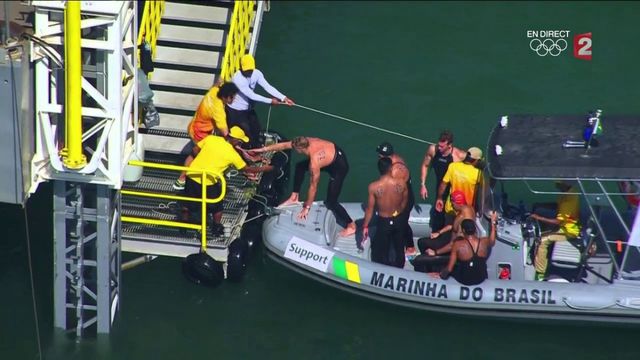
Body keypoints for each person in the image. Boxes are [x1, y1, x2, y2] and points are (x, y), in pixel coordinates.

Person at [250, 136, 357, 237]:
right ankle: (294, 196)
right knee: (300, 167)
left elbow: (313, 186)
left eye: (296, 149)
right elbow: (283, 146)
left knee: (332, 202)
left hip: (339, 167)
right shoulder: (305, 141)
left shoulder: (314, 162)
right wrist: (262, 150)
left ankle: (351, 225)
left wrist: (307, 208)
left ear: (300, 149)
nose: (295, 150)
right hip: (330, 156)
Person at [180, 127, 271, 235]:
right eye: (240, 141)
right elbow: (246, 169)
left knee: (188, 201)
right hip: (208, 182)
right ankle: (216, 227)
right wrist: (264, 169)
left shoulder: (211, 139)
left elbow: (195, 150)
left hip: (192, 175)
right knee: (217, 206)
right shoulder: (232, 155)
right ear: (235, 140)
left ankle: (183, 224)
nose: (240, 143)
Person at [174, 82, 239, 190]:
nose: (234, 99)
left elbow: (216, 83)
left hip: (195, 125)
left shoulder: (214, 91)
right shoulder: (218, 111)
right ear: (225, 96)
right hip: (199, 132)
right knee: (195, 155)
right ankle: (182, 179)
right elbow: (225, 133)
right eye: (232, 97)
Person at [227, 54, 295, 147]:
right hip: (236, 111)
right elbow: (251, 95)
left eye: (250, 70)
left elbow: (267, 87)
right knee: (245, 131)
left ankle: (255, 148)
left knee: (256, 128)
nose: (249, 72)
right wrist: (270, 101)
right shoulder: (237, 78)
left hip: (248, 109)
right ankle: (244, 149)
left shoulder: (257, 73)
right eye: (246, 70)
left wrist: (284, 98)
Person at [362, 157, 408, 268]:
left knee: (380, 251)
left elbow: (370, 209)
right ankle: (399, 268)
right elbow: (404, 203)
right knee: (399, 248)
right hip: (398, 219)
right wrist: (398, 213)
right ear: (391, 168)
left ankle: (383, 271)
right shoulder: (402, 184)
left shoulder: (373, 187)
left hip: (384, 221)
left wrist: (365, 226)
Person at [530, 181, 581, 281]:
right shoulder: (567, 192)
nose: (555, 185)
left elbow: (557, 221)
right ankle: (544, 262)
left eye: (558, 183)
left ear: (564, 184)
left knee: (542, 240)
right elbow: (557, 206)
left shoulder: (569, 200)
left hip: (569, 231)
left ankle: (540, 273)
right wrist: (540, 205)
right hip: (564, 227)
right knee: (545, 230)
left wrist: (538, 217)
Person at [419, 130, 467, 232]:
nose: (439, 148)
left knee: (452, 216)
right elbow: (425, 165)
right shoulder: (433, 150)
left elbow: (474, 162)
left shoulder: (458, 156)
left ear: (449, 145)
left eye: (442, 146)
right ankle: (437, 234)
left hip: (453, 190)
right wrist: (423, 184)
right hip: (440, 188)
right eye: (439, 145)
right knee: (438, 215)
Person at [435, 212, 497, 286]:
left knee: (442, 266)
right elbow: (492, 240)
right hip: (481, 278)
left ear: (463, 231)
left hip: (464, 280)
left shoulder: (458, 245)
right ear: (474, 229)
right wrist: (493, 222)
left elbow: (449, 268)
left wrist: (440, 275)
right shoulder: (484, 242)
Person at [375, 141, 415, 254]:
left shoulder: (396, 170)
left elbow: (399, 191)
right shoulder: (390, 163)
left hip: (404, 200)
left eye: (380, 156)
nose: (378, 157)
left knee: (403, 223)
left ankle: (410, 246)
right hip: (400, 195)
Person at [419, 190, 475, 256]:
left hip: (454, 246)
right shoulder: (470, 209)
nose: (451, 205)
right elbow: (453, 226)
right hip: (456, 240)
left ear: (458, 203)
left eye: (452, 203)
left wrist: (435, 252)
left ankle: (430, 264)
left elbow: (453, 244)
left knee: (421, 242)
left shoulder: (460, 217)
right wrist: (439, 232)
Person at [435, 146, 483, 216]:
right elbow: (484, 191)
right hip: (466, 212)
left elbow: (443, 185)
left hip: (451, 209)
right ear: (476, 160)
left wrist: (439, 198)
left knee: (449, 225)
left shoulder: (453, 166)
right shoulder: (479, 173)